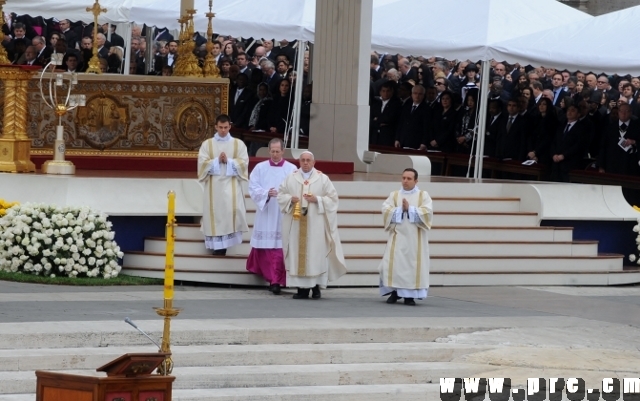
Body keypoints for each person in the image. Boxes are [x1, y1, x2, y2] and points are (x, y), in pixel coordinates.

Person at [277, 151, 347, 299]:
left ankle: (316, 287)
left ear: (314, 162)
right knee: (298, 254)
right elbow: (281, 195)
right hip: (296, 225)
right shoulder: (291, 178)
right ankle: (301, 289)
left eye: (308, 160)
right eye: (303, 160)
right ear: (299, 162)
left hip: (316, 225)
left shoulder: (322, 179)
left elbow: (333, 199)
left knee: (315, 255)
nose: (305, 163)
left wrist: (318, 200)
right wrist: (291, 199)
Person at [246, 138, 297, 295]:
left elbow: (296, 188)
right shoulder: (260, 168)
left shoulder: (291, 169)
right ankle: (272, 279)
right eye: (272, 151)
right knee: (268, 245)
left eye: (278, 151)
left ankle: (278, 280)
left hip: (283, 212)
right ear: (269, 151)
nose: (275, 154)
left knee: (280, 246)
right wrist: (266, 194)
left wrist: (287, 197)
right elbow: (253, 187)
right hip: (267, 211)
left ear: (283, 151)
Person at [197, 114, 249, 256]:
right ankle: (216, 246)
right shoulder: (207, 144)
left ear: (230, 127)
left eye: (226, 127)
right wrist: (216, 161)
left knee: (228, 214)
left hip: (231, 186)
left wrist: (229, 161)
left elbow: (244, 162)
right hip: (213, 187)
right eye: (220, 127)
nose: (223, 130)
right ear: (216, 127)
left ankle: (224, 246)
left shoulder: (238, 144)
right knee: (215, 214)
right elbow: (201, 163)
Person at [379, 168, 433, 306]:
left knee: (411, 267)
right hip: (397, 237)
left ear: (416, 180)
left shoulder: (423, 195)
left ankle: (410, 296)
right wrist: (399, 210)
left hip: (415, 239)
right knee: (395, 265)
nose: (405, 181)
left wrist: (410, 209)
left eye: (409, 179)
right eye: (403, 178)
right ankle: (395, 292)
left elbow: (427, 213)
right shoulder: (395, 195)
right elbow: (386, 210)